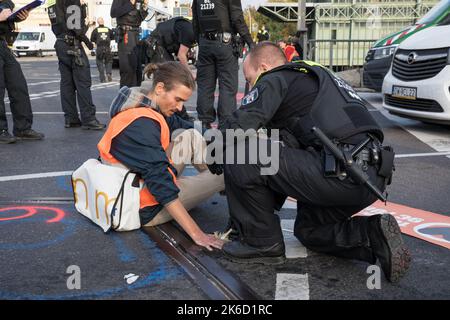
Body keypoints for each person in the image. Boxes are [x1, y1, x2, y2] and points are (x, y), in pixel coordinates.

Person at [215, 42, 410, 282]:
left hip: (341, 169)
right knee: (309, 231)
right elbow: (282, 163)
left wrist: (212, 152)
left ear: (264, 67)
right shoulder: (318, 79)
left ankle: (261, 242)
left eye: (249, 78)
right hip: (370, 177)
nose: (250, 85)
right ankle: (371, 234)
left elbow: (240, 125)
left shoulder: (276, 77)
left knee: (240, 150)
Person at [97, 61, 225, 250]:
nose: (181, 107)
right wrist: (197, 234)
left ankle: (211, 180)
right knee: (225, 173)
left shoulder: (143, 106)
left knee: (189, 136)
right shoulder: (141, 125)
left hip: (132, 187)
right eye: (178, 99)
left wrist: (223, 137)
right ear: (159, 88)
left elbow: (186, 127)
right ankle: (228, 187)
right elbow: (161, 184)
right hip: (144, 207)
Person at [192, 0, 253, 128]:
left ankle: (204, 123)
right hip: (224, 43)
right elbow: (237, 18)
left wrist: (201, 41)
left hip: (204, 43)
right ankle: (225, 124)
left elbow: (195, 21)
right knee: (227, 86)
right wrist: (250, 42)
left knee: (205, 85)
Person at [47, 0, 105, 130]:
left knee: (67, 83)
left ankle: (71, 118)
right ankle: (89, 118)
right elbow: (74, 26)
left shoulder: (53, 2)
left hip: (61, 43)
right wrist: (88, 41)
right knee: (83, 82)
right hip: (73, 45)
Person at [0, 1, 44, 144]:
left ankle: (22, 128)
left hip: (2, 44)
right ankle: (1, 130)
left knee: (18, 85)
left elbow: (8, 14)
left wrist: (20, 16)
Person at [111, 0, 148, 88]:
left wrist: (145, 7)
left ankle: (134, 97)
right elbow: (113, 13)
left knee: (138, 71)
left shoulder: (139, 1)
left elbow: (139, 19)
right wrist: (130, 3)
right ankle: (125, 98)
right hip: (126, 34)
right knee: (128, 69)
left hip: (136, 35)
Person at [90, 17, 114, 83]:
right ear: (103, 21)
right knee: (108, 61)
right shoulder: (108, 29)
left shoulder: (95, 30)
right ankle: (108, 74)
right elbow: (112, 37)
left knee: (99, 62)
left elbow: (92, 39)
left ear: (98, 22)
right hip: (107, 47)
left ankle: (102, 78)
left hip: (100, 48)